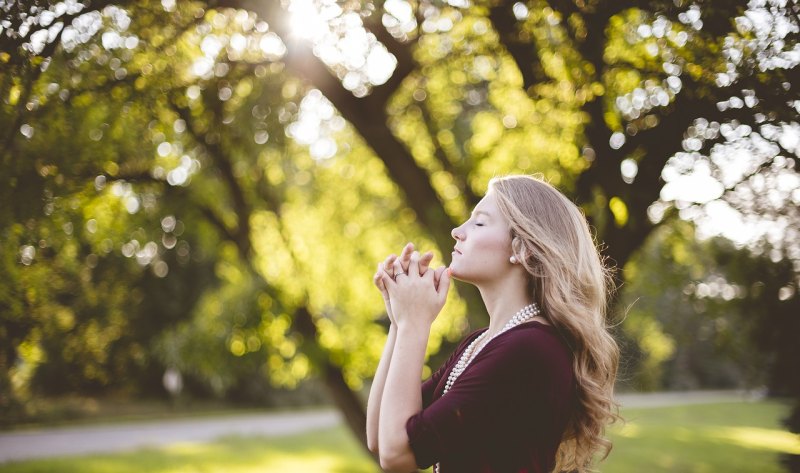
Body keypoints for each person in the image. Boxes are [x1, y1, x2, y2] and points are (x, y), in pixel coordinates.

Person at [366, 175, 620, 473]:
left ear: (523, 249)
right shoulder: (481, 342)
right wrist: (399, 320)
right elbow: (379, 439)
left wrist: (414, 324)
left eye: (480, 223)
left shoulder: (529, 349)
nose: (457, 231)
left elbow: (398, 455)